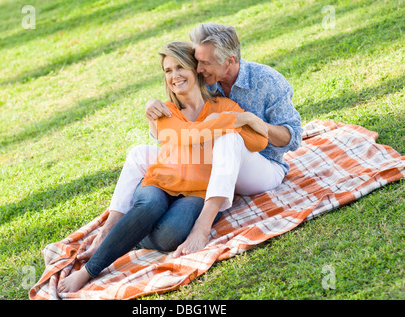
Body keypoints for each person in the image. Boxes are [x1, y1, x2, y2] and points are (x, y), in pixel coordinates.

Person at [58, 41, 268, 293]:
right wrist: (232, 122)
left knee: (169, 236)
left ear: (195, 70)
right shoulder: (165, 111)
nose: (174, 76)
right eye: (168, 70)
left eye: (180, 67)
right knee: (150, 205)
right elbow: (190, 135)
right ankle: (90, 269)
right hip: (160, 182)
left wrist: (242, 118)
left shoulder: (224, 107)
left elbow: (259, 140)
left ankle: (131, 231)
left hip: (198, 191)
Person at [128, 23, 303, 258]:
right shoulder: (207, 81)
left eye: (205, 63)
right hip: (214, 166)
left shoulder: (268, 80)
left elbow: (293, 139)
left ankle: (202, 226)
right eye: (197, 61)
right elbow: (181, 121)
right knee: (140, 152)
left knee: (229, 140)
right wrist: (152, 107)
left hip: (262, 166)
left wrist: (253, 123)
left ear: (229, 60)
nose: (198, 69)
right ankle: (114, 224)